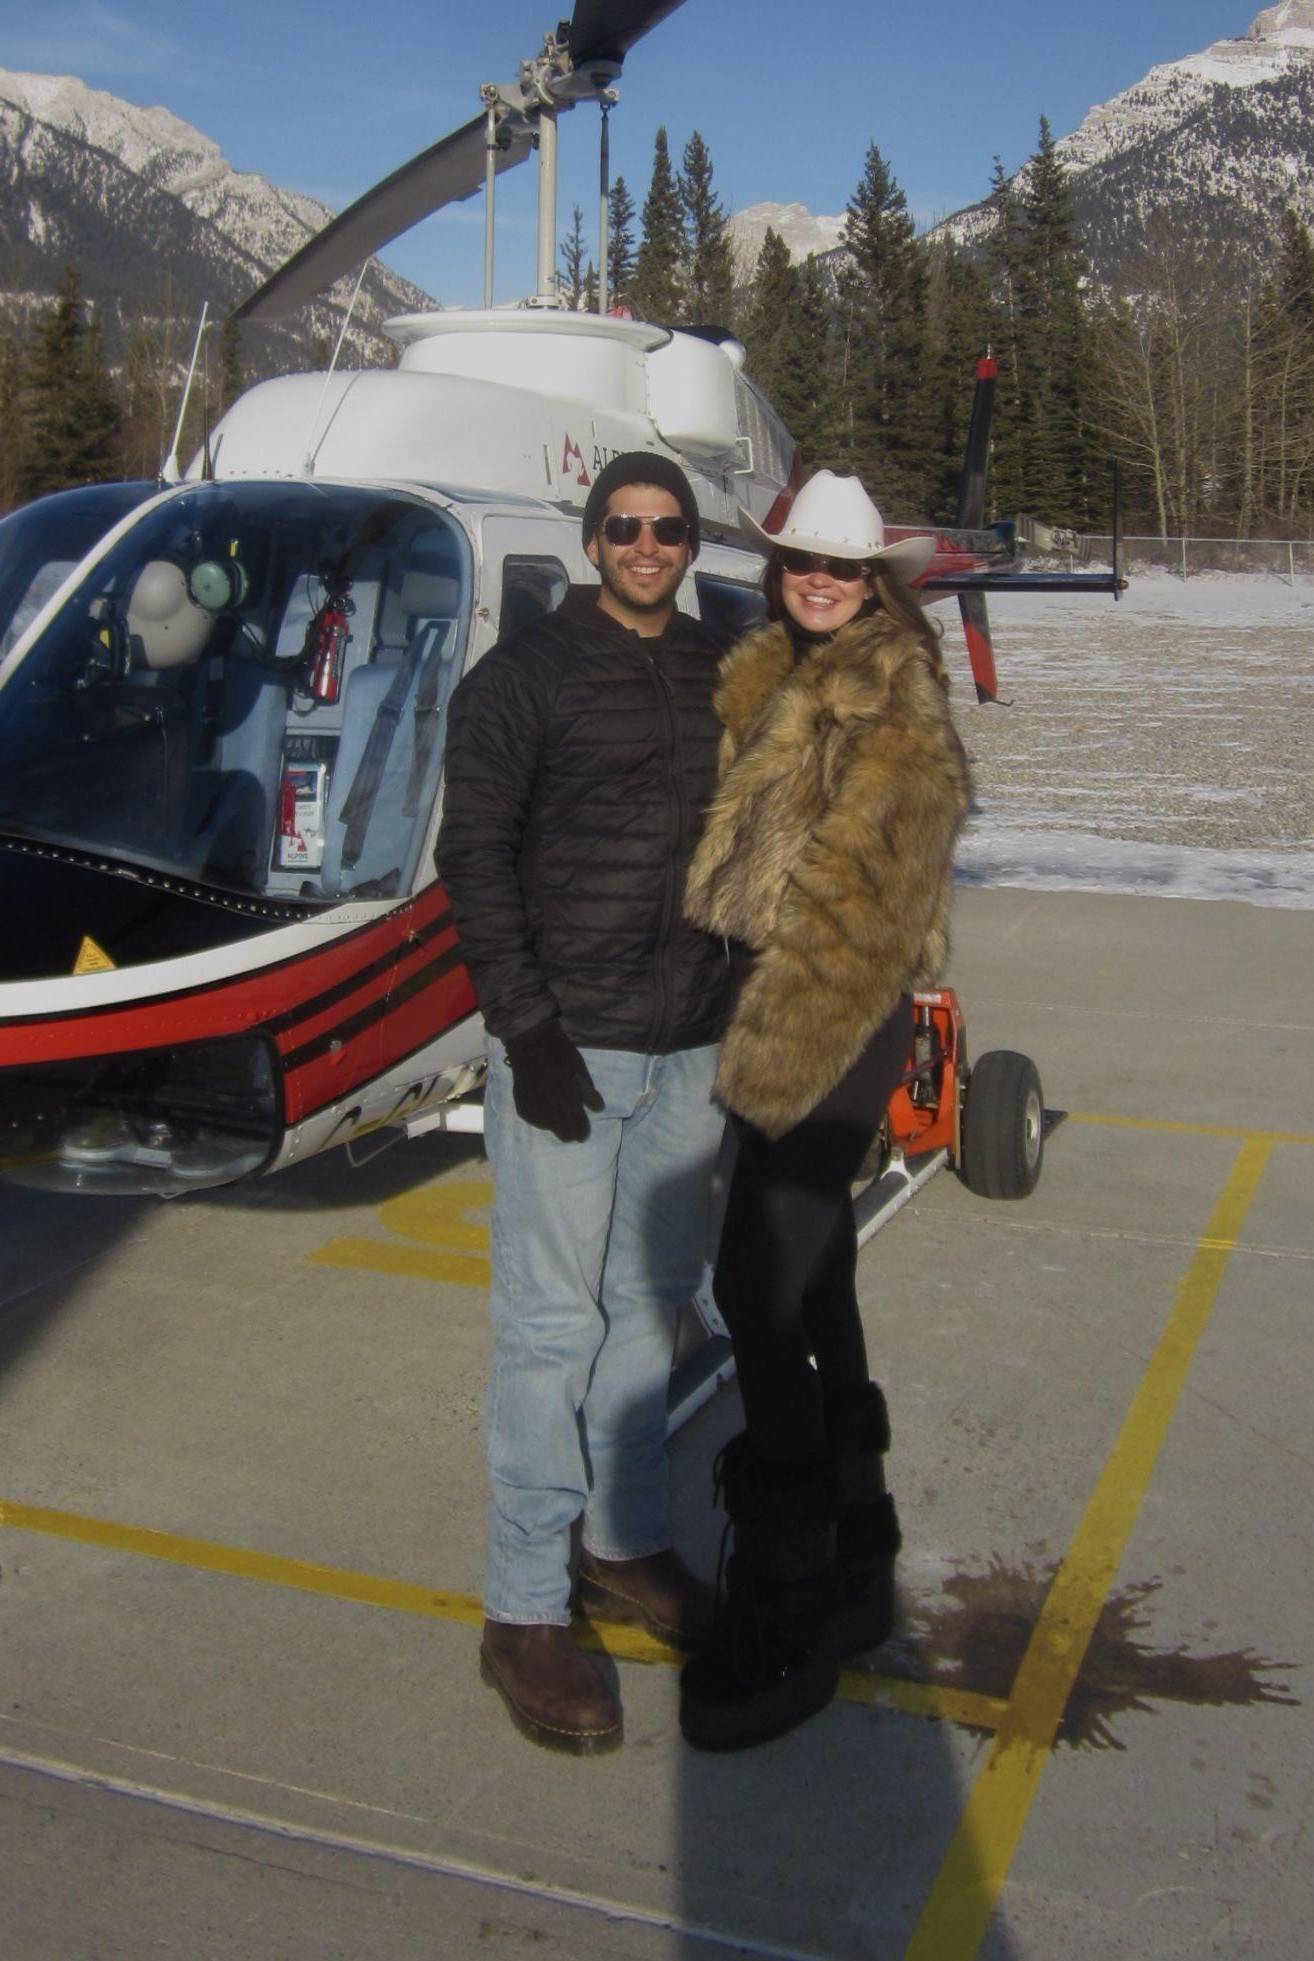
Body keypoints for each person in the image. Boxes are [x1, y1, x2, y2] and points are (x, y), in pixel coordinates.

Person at [434, 451, 734, 1755]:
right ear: (592, 536)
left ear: (691, 539)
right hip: (573, 1045)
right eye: (625, 526)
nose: (648, 544)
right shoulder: (521, 679)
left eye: (669, 527)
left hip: (695, 1047)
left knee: (649, 1312)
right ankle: (521, 1606)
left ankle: (622, 1541)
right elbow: (473, 855)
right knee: (552, 1321)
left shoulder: (725, 674)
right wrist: (525, 1025)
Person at [676, 469, 972, 1752]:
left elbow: (870, 907)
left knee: (755, 1290)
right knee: (824, 1282)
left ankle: (791, 1606)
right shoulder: (774, 674)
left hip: (827, 1015)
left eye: (842, 569)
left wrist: (786, 1046)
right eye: (802, 560)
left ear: (876, 582)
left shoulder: (887, 698)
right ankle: (859, 1553)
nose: (819, 581)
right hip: (772, 1002)